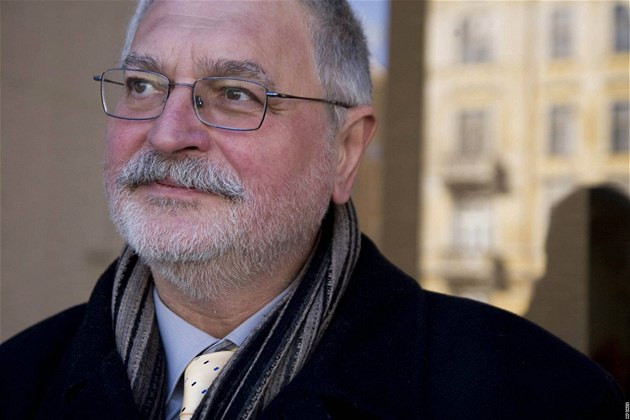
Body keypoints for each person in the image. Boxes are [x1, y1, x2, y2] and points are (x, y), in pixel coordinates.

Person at [0, 0, 624, 418]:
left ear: (345, 151)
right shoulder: (15, 380)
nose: (167, 134)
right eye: (142, 85)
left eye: (235, 93)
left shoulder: (536, 397)